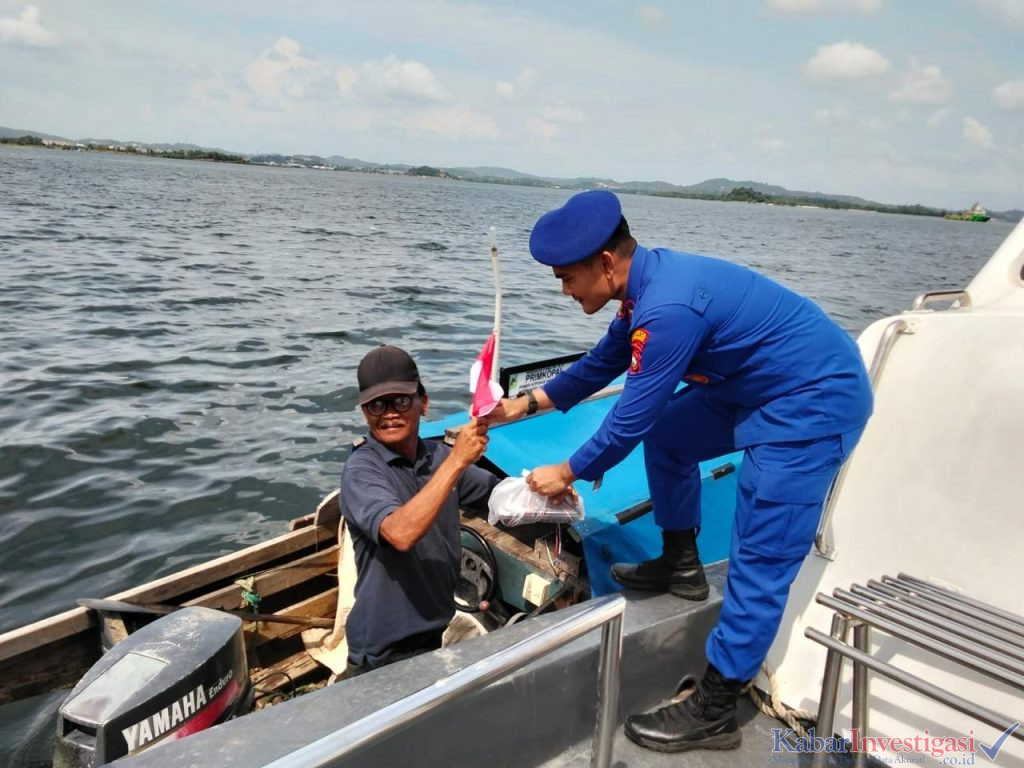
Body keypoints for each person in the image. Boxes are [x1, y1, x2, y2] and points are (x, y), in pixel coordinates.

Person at [488, 190, 872, 753]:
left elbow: (629, 420)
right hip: (750, 387)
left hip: (809, 404)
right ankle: (681, 562)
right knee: (671, 436)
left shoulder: (666, 310)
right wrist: (522, 405)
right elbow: (601, 366)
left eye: (567, 278)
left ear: (607, 262)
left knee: (760, 557)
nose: (565, 291)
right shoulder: (642, 286)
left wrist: (566, 472)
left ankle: (717, 705)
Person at [339, 344, 497, 676]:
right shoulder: (362, 470)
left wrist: (555, 484)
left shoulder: (436, 457)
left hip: (432, 633)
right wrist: (457, 461)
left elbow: (495, 492)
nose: (390, 413)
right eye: (376, 405)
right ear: (364, 412)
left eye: (401, 400)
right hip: (383, 651)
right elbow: (400, 532)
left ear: (423, 403)